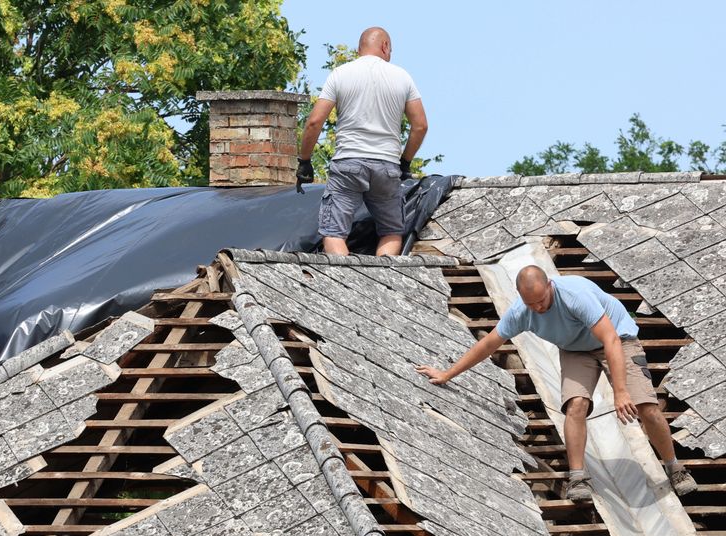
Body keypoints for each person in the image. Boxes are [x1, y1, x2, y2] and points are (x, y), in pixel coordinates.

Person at [415, 265, 697, 501]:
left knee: (645, 406)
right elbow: (489, 343)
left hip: (617, 339)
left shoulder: (574, 295)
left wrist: (620, 391)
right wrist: (448, 374)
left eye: (541, 300)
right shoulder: (521, 312)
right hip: (575, 349)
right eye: (531, 303)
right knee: (575, 405)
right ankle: (577, 478)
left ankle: (675, 467)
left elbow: (609, 339)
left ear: (549, 285)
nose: (538, 308)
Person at [296, 26, 428, 257]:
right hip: (386, 165)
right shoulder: (402, 77)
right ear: (385, 46)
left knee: (334, 232)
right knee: (391, 231)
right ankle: (383, 285)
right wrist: (405, 162)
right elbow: (420, 126)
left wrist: (305, 161)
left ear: (359, 49)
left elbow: (314, 122)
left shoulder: (340, 74)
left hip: (348, 162)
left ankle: (346, 288)